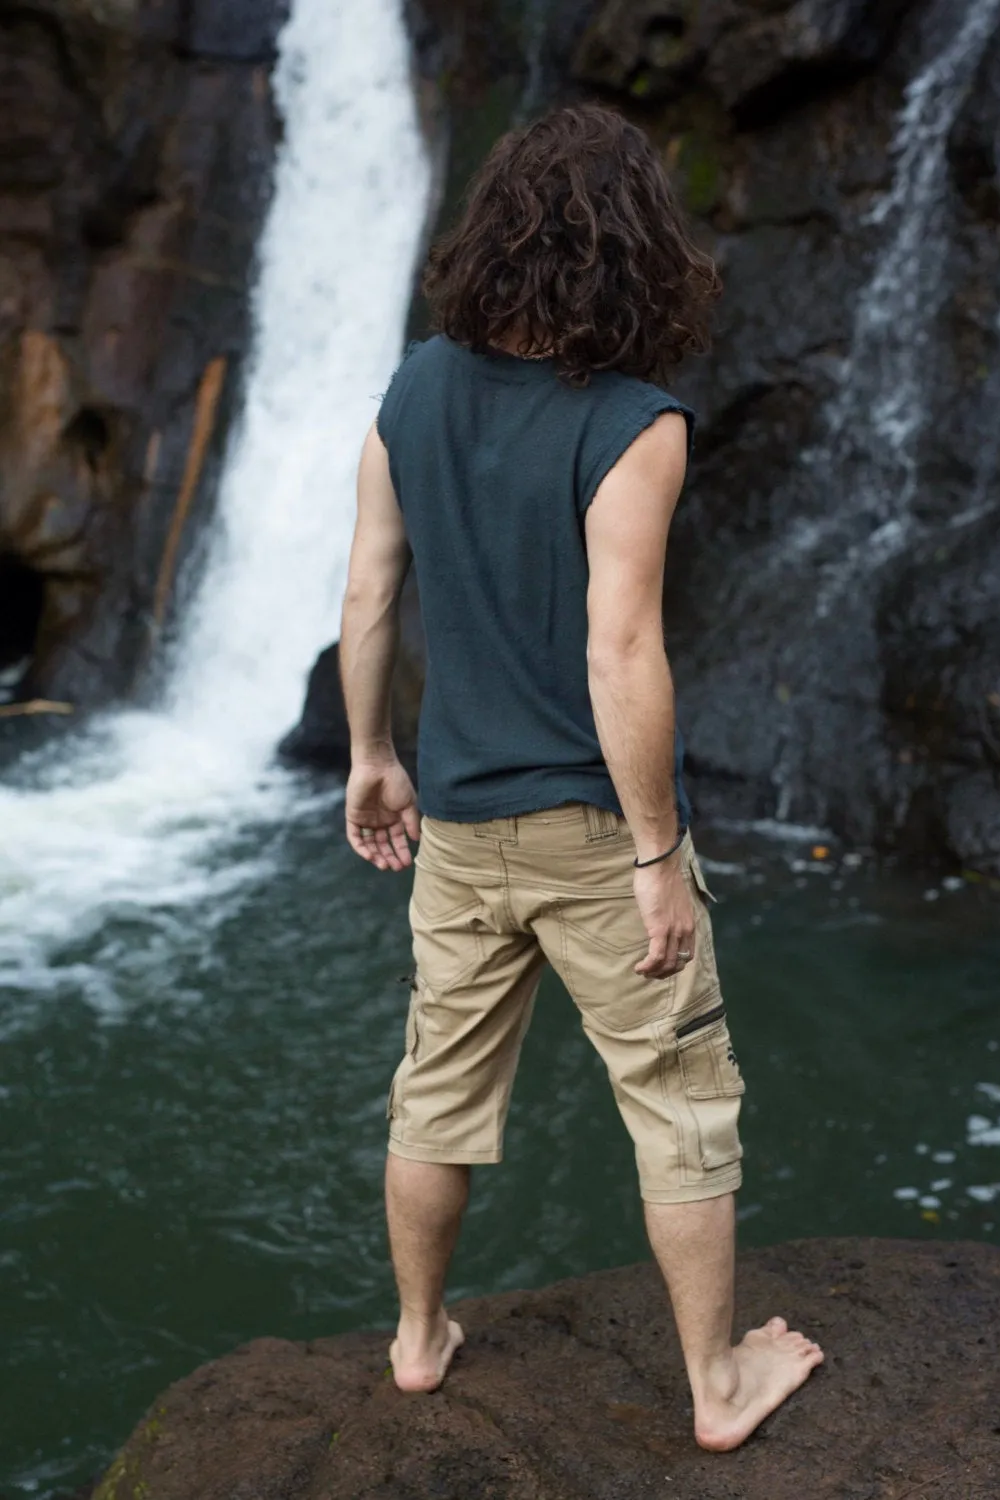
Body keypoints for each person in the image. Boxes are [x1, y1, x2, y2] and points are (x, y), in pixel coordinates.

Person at [339, 103, 823, 1452]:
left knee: (432, 1091)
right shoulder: (633, 423)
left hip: (456, 823)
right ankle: (715, 1385)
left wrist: (375, 756)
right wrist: (657, 854)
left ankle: (420, 1336)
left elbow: (371, 590)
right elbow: (621, 651)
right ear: (638, 255)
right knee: (677, 1106)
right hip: (592, 831)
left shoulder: (409, 392)